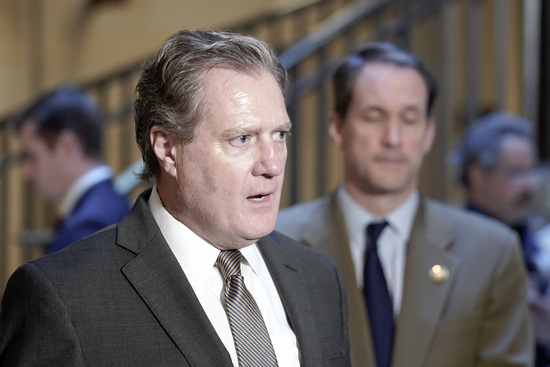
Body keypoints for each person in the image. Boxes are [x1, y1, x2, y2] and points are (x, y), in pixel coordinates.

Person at [0, 30, 350, 366]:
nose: (272, 164)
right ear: (167, 149)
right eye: (241, 139)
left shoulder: (318, 276)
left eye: (279, 134)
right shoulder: (64, 297)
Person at [276, 42, 533, 367]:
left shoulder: (491, 252)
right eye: (374, 117)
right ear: (338, 128)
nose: (393, 138)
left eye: (409, 119)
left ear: (428, 133)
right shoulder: (276, 244)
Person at [451, 112, 550, 366]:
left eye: (532, 171)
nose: (528, 185)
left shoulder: (533, 239)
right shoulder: (451, 246)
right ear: (477, 176)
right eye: (516, 173)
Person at [14, 84, 130, 253]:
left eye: (31, 157)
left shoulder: (89, 225)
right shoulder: (104, 208)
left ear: (67, 145)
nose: (26, 173)